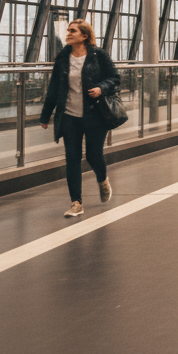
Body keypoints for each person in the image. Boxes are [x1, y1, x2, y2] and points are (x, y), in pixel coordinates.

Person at [40, 19, 120, 218]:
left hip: (95, 115)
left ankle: (102, 180)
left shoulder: (98, 55)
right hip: (69, 116)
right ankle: (76, 202)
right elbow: (54, 88)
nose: (68, 34)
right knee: (72, 159)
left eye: (72, 31)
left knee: (94, 156)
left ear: (84, 36)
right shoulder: (62, 57)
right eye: (68, 31)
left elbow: (115, 78)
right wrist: (45, 115)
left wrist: (102, 88)